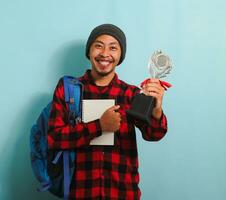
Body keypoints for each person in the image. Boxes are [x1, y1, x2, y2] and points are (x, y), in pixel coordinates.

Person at [48, 24, 168, 200]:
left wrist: (157, 110)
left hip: (123, 192)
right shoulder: (68, 90)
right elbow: (54, 139)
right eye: (98, 45)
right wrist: (99, 126)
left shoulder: (131, 94)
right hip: (81, 192)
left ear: (120, 56)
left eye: (113, 47)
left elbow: (154, 134)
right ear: (89, 51)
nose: (105, 53)